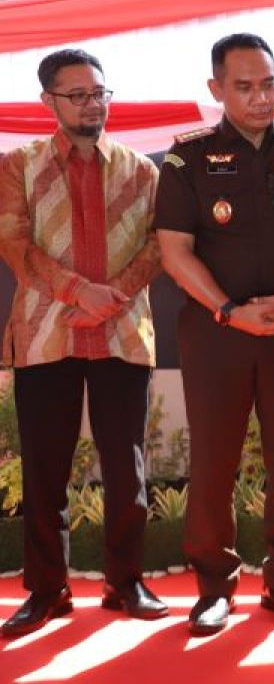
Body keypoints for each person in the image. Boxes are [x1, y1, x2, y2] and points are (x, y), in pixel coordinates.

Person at [154, 33, 274, 636]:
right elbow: (174, 251)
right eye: (244, 87)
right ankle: (214, 587)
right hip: (217, 331)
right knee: (214, 459)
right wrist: (228, 309)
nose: (261, 98)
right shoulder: (186, 159)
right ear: (216, 90)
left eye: (268, 83)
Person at [0, 49, 166, 637]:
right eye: (79, 95)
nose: (93, 105)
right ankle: (47, 591)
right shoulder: (17, 166)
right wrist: (77, 292)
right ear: (47, 101)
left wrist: (111, 294)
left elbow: (158, 246)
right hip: (47, 335)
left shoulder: (143, 170)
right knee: (46, 470)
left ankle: (127, 583)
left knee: (129, 469)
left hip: (121, 333)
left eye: (100, 93)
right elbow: (15, 246)